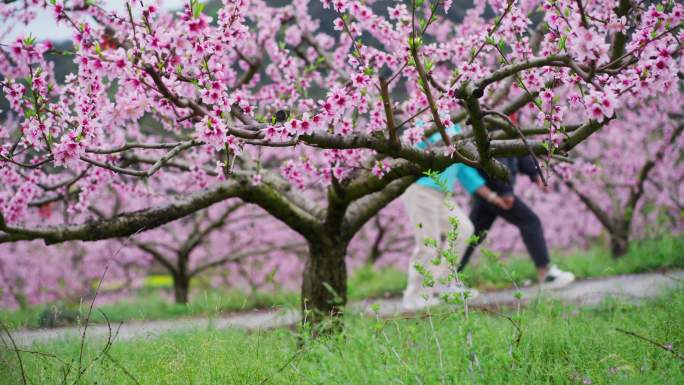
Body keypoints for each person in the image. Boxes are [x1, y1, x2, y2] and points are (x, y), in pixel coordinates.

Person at [456, 154, 576, 289]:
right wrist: (505, 191)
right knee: (530, 221)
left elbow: (517, 151)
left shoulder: (512, 133)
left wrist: (535, 174)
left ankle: (450, 277)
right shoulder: (496, 132)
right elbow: (497, 157)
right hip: (495, 187)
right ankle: (545, 273)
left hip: (491, 187)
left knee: (475, 233)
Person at [401, 122, 484, 311]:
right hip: (421, 189)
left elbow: (462, 167)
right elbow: (411, 152)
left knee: (463, 230)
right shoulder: (424, 124)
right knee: (428, 243)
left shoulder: (454, 125)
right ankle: (415, 296)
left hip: (442, 193)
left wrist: (489, 193)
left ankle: (444, 283)